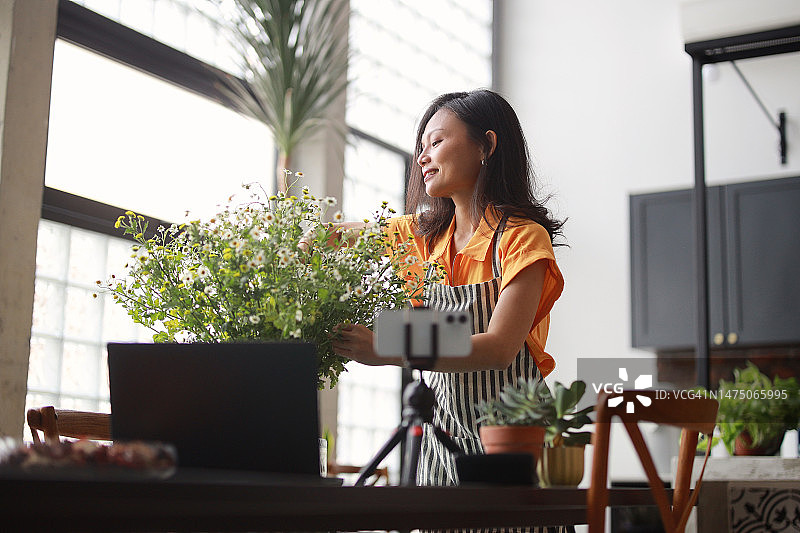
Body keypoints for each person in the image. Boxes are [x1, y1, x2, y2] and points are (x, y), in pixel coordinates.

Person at [329, 89, 565, 491]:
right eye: (421, 147)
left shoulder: (523, 240)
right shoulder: (424, 238)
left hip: (513, 443)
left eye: (436, 141)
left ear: (486, 145)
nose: (422, 157)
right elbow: (330, 238)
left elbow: (499, 347)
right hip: (441, 442)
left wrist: (387, 348)